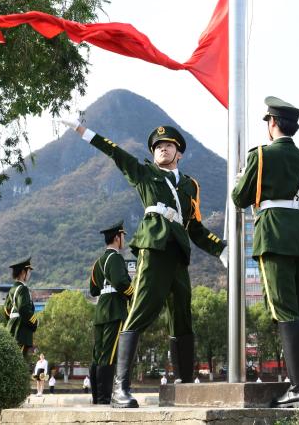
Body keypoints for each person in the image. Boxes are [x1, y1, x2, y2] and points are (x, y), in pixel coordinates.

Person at [63, 120, 226, 408]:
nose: (162, 149)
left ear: (179, 153)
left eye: (168, 145)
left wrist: (220, 250)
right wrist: (84, 131)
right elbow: (116, 153)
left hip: (178, 251)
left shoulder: (190, 185)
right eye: (158, 147)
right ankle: (120, 388)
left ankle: (184, 384)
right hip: (153, 246)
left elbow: (196, 227)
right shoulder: (144, 173)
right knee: (141, 309)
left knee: (182, 315)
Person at [232, 97, 299, 408]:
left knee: (286, 311)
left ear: (272, 123)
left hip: (275, 235)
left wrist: (239, 177)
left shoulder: (260, 155)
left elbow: (239, 198)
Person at [88, 220, 134, 405]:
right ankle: (104, 398)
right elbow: (122, 283)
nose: (124, 240)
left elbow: (93, 290)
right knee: (108, 355)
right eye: (123, 236)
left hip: (100, 312)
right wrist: (133, 294)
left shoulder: (97, 262)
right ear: (117, 237)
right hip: (114, 311)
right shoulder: (115, 258)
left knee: (98, 355)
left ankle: (97, 398)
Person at [5, 258, 38, 361]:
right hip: (21, 331)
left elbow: (6, 310)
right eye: (29, 271)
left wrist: (12, 321)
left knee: (13, 359)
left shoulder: (12, 289)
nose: (29, 274)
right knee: (19, 360)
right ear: (23, 272)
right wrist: (35, 322)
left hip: (12, 327)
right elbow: (23, 309)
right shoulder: (23, 289)